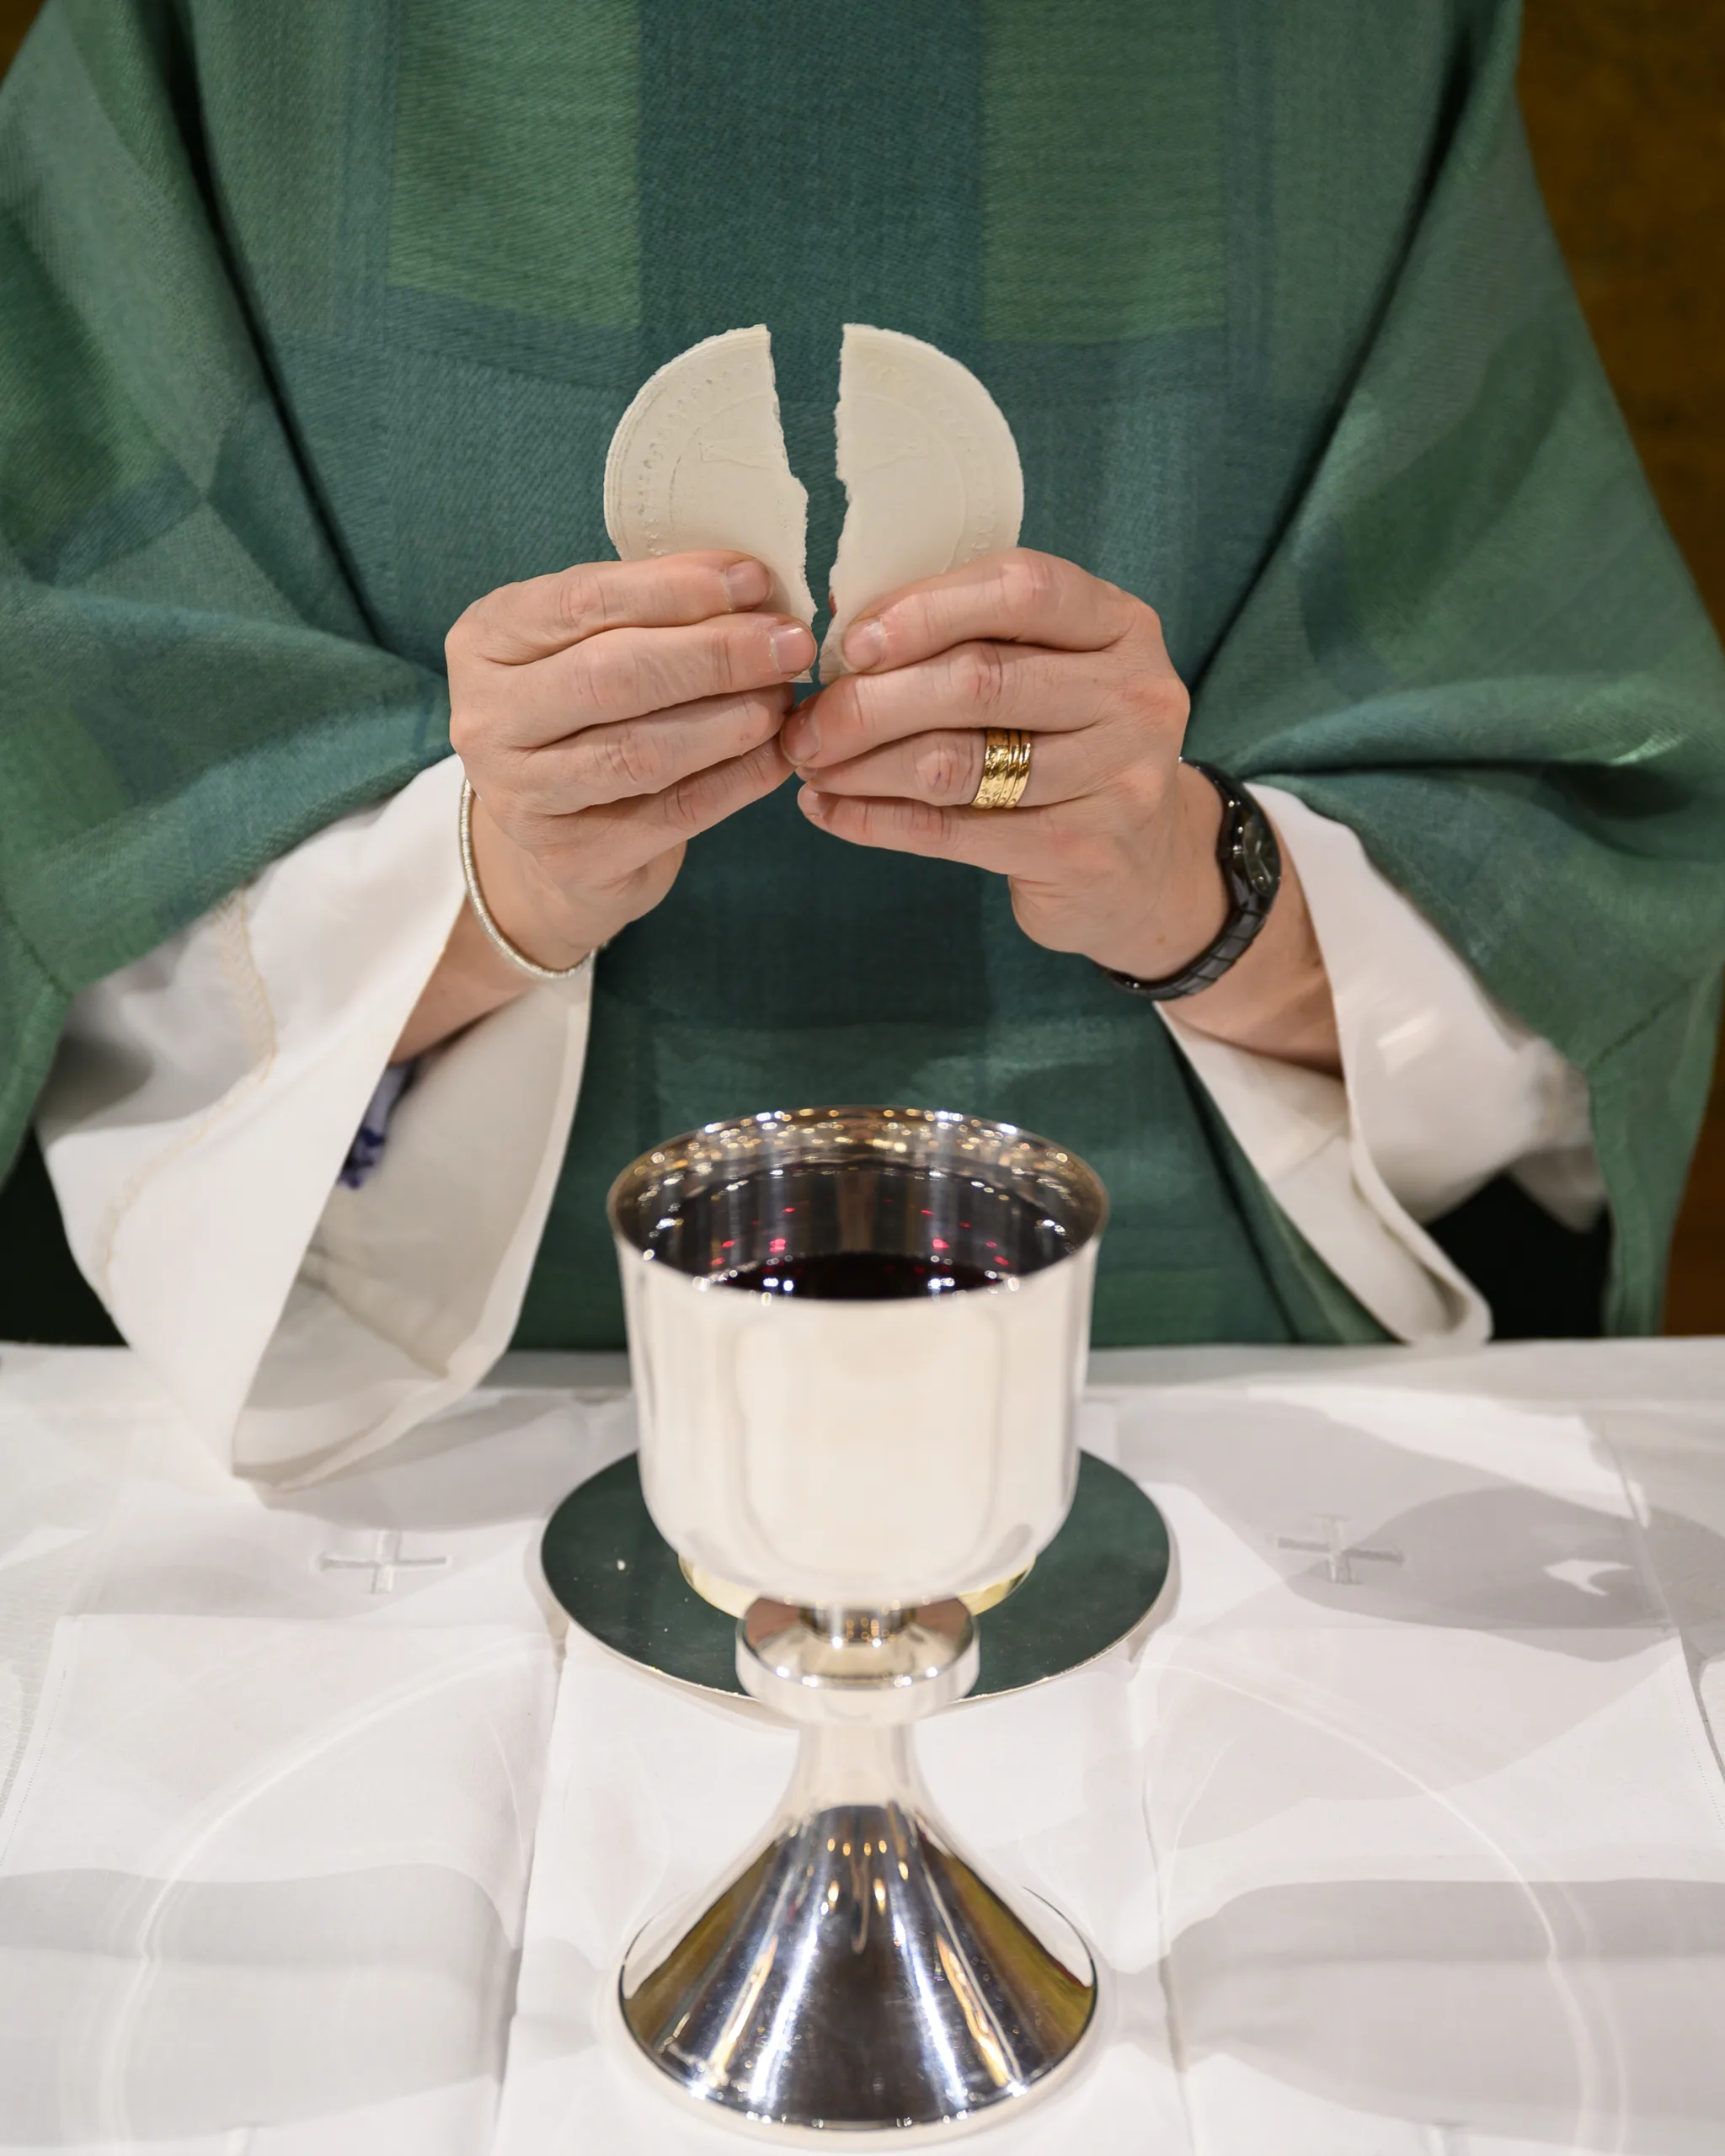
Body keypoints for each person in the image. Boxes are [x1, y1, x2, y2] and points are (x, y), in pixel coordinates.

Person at [3, 0, 1722, 1483]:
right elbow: (64, 776)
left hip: (1203, 1379)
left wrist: (1194, 880)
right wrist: (475, 885)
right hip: (396, 1378)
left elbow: (1565, 845)